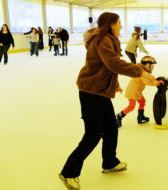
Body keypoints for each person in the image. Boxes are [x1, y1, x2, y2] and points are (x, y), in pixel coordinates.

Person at [59, 12, 155, 190]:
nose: (121, 26)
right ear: (111, 24)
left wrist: (115, 83)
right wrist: (140, 71)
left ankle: (110, 162)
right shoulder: (103, 39)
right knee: (93, 135)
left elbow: (105, 66)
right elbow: (112, 63)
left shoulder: (108, 39)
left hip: (100, 91)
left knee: (111, 129)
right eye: (119, 23)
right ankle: (69, 172)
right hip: (91, 91)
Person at [116, 56, 164, 128]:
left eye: (153, 66)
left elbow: (149, 79)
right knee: (131, 106)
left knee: (142, 102)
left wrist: (155, 81)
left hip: (137, 91)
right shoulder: (141, 73)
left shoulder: (143, 72)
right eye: (151, 65)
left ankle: (140, 117)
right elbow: (147, 81)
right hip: (132, 90)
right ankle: (119, 116)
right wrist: (156, 83)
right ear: (146, 64)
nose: (153, 67)